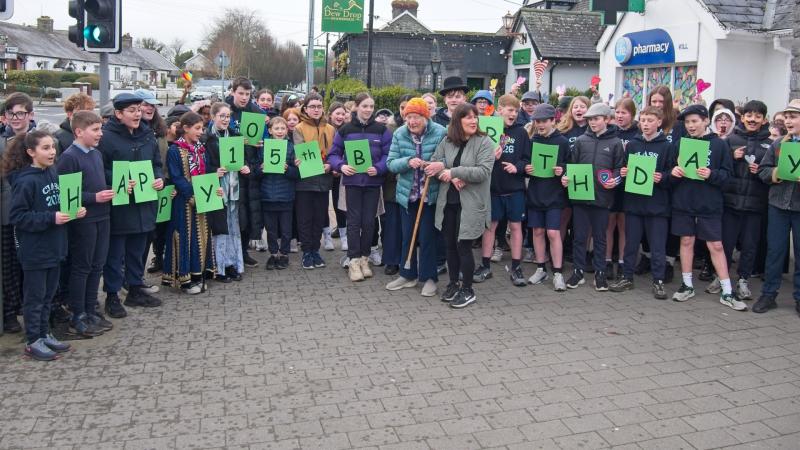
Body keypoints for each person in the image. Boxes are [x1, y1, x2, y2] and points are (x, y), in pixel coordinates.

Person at [5, 130, 83, 360]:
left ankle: (44, 333)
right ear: (31, 152)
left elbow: (59, 204)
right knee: (35, 297)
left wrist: (73, 211)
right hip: (35, 250)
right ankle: (33, 340)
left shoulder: (52, 173)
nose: (52, 152)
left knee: (49, 295)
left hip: (55, 246)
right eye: (45, 148)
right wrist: (51, 218)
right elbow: (18, 217)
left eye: (53, 147)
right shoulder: (25, 181)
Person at [669, 105, 742, 310]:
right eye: (688, 122)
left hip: (709, 203)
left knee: (716, 245)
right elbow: (667, 175)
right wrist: (673, 172)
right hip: (684, 202)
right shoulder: (678, 145)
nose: (691, 126)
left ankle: (727, 290)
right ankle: (686, 285)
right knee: (686, 241)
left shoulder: (719, 145)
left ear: (706, 121)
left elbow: (728, 176)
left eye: (695, 121)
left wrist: (712, 175)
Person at [99, 93, 164, 318]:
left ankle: (135, 289)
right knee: (115, 255)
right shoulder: (106, 138)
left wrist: (159, 178)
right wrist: (119, 179)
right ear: (118, 114)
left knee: (137, 252)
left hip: (144, 204)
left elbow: (157, 163)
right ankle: (112, 296)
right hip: (120, 206)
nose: (138, 114)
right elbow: (99, 168)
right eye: (132, 111)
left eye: (139, 109)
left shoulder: (147, 135)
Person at [425, 103, 494, 308]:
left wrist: (454, 172)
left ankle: (468, 289)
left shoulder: (484, 142)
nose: (473, 121)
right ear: (457, 121)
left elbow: (483, 171)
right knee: (449, 246)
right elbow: (434, 165)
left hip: (471, 204)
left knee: (463, 246)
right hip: (449, 202)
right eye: (468, 117)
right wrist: (447, 174)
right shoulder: (447, 141)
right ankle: (454, 283)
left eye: (475, 117)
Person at [56, 111, 116, 337]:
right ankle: (78, 313)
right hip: (84, 220)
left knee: (97, 265)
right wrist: (94, 198)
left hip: (103, 217)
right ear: (79, 131)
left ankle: (91, 310)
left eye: (100, 129)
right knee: (82, 266)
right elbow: (67, 194)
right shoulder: (69, 157)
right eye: (95, 130)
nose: (100, 134)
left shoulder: (95, 154)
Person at [610, 106, 674, 299]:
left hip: (657, 204)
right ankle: (627, 277)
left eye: (650, 120)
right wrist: (622, 172)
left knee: (657, 246)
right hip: (634, 203)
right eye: (643, 120)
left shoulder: (667, 146)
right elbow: (624, 168)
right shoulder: (633, 145)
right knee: (631, 243)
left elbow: (673, 174)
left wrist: (662, 177)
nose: (646, 124)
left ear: (659, 122)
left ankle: (658, 281)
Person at [385, 98, 447, 296]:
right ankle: (407, 274)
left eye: (416, 117)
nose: (412, 122)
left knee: (427, 237)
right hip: (407, 196)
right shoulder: (399, 134)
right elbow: (391, 163)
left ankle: (429, 278)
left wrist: (437, 165)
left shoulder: (440, 132)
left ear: (425, 117)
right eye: (408, 117)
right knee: (407, 236)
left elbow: (448, 159)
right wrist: (408, 161)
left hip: (429, 195)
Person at [328, 93, 391, 282]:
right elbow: (334, 154)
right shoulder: (346, 130)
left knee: (369, 222)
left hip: (372, 183)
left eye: (371, 106)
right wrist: (341, 166)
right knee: (354, 222)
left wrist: (379, 168)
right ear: (357, 107)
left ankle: (365, 258)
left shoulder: (382, 130)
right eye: (365, 106)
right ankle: (354, 260)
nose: (368, 110)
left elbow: (389, 154)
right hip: (352, 183)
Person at [561, 103, 624, 291]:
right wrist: (566, 177)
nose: (592, 122)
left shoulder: (616, 143)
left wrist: (616, 179)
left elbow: (619, 169)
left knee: (600, 237)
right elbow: (571, 166)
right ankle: (578, 272)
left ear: (606, 119)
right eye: (590, 119)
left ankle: (600, 274)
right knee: (579, 237)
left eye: (596, 119)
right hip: (580, 197)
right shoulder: (580, 140)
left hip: (603, 198)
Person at [473, 94, 529, 287]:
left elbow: (527, 159)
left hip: (515, 189)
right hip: (492, 188)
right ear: (500, 109)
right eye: (510, 110)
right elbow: (476, 157)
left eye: (516, 111)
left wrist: (518, 167)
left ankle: (516, 266)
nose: (513, 114)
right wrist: (491, 157)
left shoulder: (521, 133)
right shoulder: (487, 129)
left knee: (515, 227)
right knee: (490, 227)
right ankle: (485, 265)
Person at [719, 100, 772, 301]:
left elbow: (772, 172)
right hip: (730, 203)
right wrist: (732, 157)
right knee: (726, 243)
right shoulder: (730, 140)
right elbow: (720, 167)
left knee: (750, 246)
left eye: (758, 116)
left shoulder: (770, 143)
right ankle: (721, 277)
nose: (752, 119)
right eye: (749, 115)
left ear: (764, 119)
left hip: (755, 205)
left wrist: (761, 171)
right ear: (742, 117)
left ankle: (743, 280)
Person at [752, 99, 800, 315]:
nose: (788, 121)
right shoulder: (778, 144)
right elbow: (763, 170)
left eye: (794, 117)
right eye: (787, 117)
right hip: (778, 206)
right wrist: (776, 174)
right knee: (775, 252)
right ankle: (769, 294)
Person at [163, 112, 220, 293]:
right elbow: (177, 177)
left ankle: (199, 274)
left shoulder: (200, 148)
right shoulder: (174, 150)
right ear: (186, 128)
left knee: (201, 235)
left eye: (202, 128)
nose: (200, 132)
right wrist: (191, 195)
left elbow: (206, 173)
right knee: (185, 236)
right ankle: (185, 280)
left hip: (202, 198)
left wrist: (212, 189)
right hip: (183, 201)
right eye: (197, 128)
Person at [0, 93, 35, 333]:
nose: (15, 118)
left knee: (30, 263)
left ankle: (29, 306)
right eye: (11, 113)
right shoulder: (2, 142)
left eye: (20, 113)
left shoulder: (39, 139)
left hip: (33, 212)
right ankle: (10, 311)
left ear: (30, 115)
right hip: (7, 211)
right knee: (9, 264)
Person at [525, 103, 569, 292]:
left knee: (553, 233)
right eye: (537, 121)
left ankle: (558, 272)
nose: (540, 125)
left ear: (553, 121)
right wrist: (526, 168)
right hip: (535, 192)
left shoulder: (562, 142)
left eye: (544, 121)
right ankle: (541, 268)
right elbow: (525, 162)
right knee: (537, 232)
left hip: (554, 194)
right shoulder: (532, 141)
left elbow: (571, 165)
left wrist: (563, 170)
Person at [205, 102, 248, 282]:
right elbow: (203, 165)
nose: (225, 119)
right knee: (219, 227)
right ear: (213, 117)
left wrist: (245, 167)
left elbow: (240, 160)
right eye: (221, 116)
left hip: (234, 188)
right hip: (217, 188)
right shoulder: (207, 139)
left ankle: (232, 263)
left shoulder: (236, 136)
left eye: (228, 116)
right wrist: (214, 171)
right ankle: (218, 267)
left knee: (233, 226)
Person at [293, 93, 335, 269]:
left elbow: (334, 152)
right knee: (305, 218)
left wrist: (331, 165)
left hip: (323, 180)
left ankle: (316, 250)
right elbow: (301, 151)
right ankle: (307, 252)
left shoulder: (331, 129)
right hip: (305, 181)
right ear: (306, 109)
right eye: (312, 107)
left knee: (319, 217)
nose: (316, 110)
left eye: (319, 106)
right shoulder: (299, 128)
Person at [225, 77, 263, 268]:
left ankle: (244, 250)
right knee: (232, 213)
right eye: (240, 93)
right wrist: (245, 142)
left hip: (250, 168)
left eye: (247, 94)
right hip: (229, 169)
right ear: (233, 92)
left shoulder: (256, 111)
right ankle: (229, 253)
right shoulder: (225, 111)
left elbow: (262, 138)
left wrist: (260, 143)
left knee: (248, 211)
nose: (244, 97)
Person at [257, 117, 298, 270]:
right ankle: (273, 253)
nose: (280, 131)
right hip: (267, 195)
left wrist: (289, 169)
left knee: (286, 228)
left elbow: (298, 174)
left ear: (287, 131)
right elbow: (256, 173)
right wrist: (260, 168)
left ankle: (284, 254)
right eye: (277, 129)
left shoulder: (291, 148)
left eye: (283, 129)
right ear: (270, 131)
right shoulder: (262, 148)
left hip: (286, 195)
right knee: (271, 229)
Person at [607, 98, 639, 278]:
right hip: (611, 183)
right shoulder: (610, 132)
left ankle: (622, 262)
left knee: (624, 226)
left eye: (624, 113)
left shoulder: (638, 134)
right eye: (617, 112)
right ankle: (606, 261)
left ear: (632, 115)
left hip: (630, 185)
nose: (619, 116)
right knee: (609, 224)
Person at [328, 102, 349, 249]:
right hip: (324, 170)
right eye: (337, 113)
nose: (340, 116)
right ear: (330, 114)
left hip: (340, 173)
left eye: (343, 114)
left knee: (339, 205)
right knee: (322, 205)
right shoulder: (325, 129)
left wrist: (339, 166)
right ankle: (326, 236)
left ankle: (344, 236)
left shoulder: (348, 130)